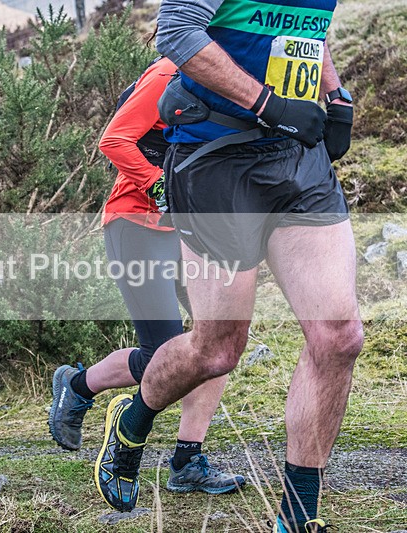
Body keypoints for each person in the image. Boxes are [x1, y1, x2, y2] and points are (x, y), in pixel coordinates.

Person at [94, 1, 361, 531]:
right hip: (215, 159)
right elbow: (177, 31)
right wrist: (270, 104)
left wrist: (335, 96)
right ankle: (133, 418)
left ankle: (297, 517)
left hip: (298, 158)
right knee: (216, 350)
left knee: (339, 337)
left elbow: (304, 27)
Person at [49, 54, 245, 501]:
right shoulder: (169, 72)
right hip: (137, 225)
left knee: (218, 341)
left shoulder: (238, 78)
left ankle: (187, 461)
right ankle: (77, 386)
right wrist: (161, 185)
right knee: (161, 352)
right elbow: (115, 140)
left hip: (191, 229)